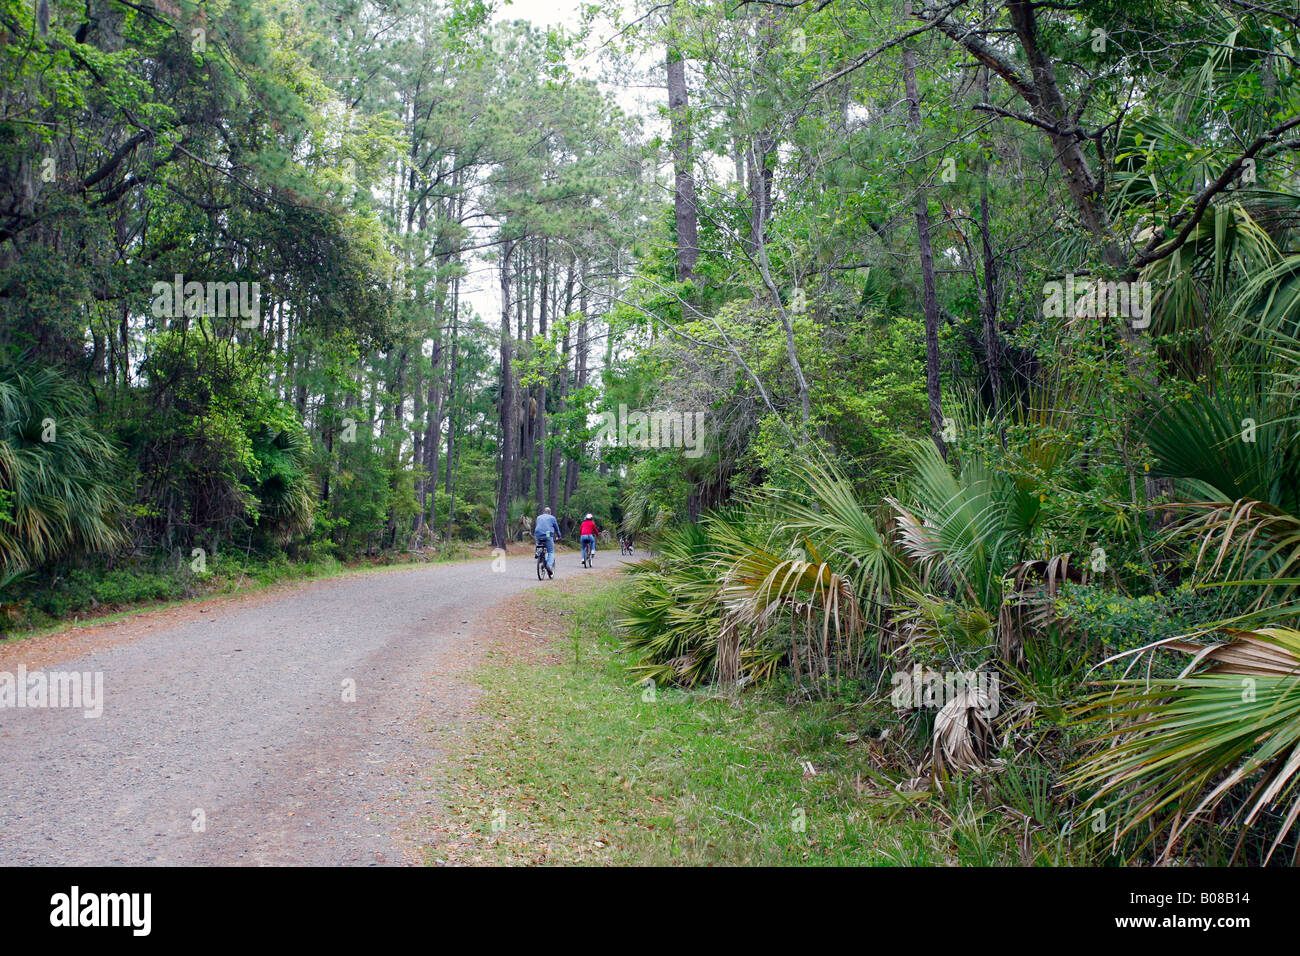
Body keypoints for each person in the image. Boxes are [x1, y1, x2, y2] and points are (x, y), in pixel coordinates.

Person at [534, 506, 561, 573]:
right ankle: (549, 565)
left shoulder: (539, 517)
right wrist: (559, 536)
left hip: (538, 533)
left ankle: (538, 552)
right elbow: (556, 529)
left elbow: (538, 526)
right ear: (550, 513)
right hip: (548, 534)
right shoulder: (552, 518)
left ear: (543, 512)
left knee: (539, 543)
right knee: (551, 551)